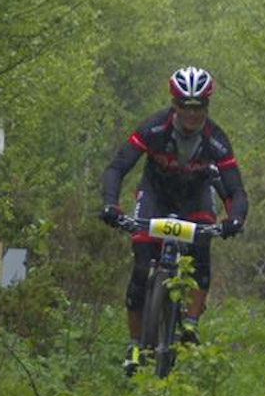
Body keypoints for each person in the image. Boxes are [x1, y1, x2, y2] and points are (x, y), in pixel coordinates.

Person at [100, 66, 249, 373]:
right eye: (185, 106)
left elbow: (235, 189)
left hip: (195, 198)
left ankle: (190, 326)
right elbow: (117, 167)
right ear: (174, 104)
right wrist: (110, 205)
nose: (192, 114)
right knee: (141, 271)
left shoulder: (216, 140)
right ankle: (134, 347)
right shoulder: (154, 128)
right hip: (155, 195)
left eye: (199, 107)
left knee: (201, 251)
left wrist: (234, 218)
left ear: (207, 106)